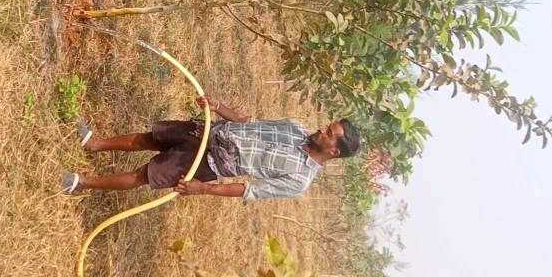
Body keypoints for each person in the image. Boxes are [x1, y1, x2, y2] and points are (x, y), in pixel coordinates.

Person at [61, 95, 360, 201]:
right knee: (147, 139)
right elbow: (247, 122)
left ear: (334, 151)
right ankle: (93, 144)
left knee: (144, 175)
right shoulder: (295, 127)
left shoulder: (299, 180)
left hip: (209, 164)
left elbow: (248, 190)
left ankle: (80, 184)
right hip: (207, 131)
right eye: (328, 126)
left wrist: (203, 188)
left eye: (329, 133)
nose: (322, 129)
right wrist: (218, 107)